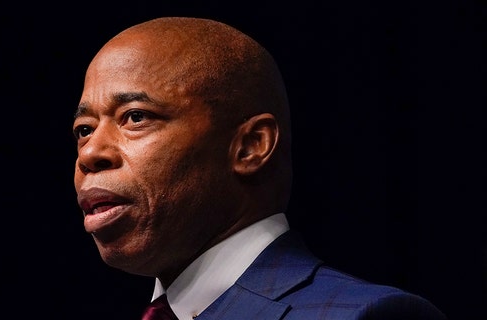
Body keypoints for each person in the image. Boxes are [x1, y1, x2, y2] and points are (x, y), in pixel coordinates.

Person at [72, 16, 447, 320]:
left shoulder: (365, 315)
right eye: (84, 130)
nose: (90, 154)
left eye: (135, 117)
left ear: (251, 147)